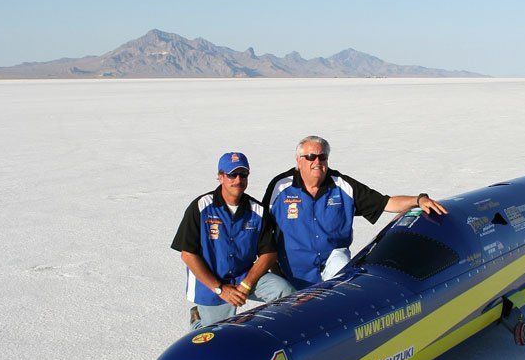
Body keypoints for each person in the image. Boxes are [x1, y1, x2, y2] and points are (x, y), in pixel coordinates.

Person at [262, 135, 448, 290]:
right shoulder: (280, 187)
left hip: (333, 262)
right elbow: (263, 229)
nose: (317, 162)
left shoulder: (343, 186)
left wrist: (418, 199)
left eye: (322, 157)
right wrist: (273, 267)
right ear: (298, 160)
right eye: (311, 157)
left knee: (342, 283)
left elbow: (385, 203)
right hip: (294, 272)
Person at [172, 152, 295, 328]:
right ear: (221, 177)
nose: (238, 180)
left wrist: (247, 283)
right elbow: (188, 255)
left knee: (285, 292)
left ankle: (274, 332)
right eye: (232, 175)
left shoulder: (257, 210)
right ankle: (198, 320)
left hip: (244, 276)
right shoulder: (201, 207)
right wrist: (220, 289)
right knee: (217, 333)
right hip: (211, 281)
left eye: (243, 174)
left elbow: (268, 253)